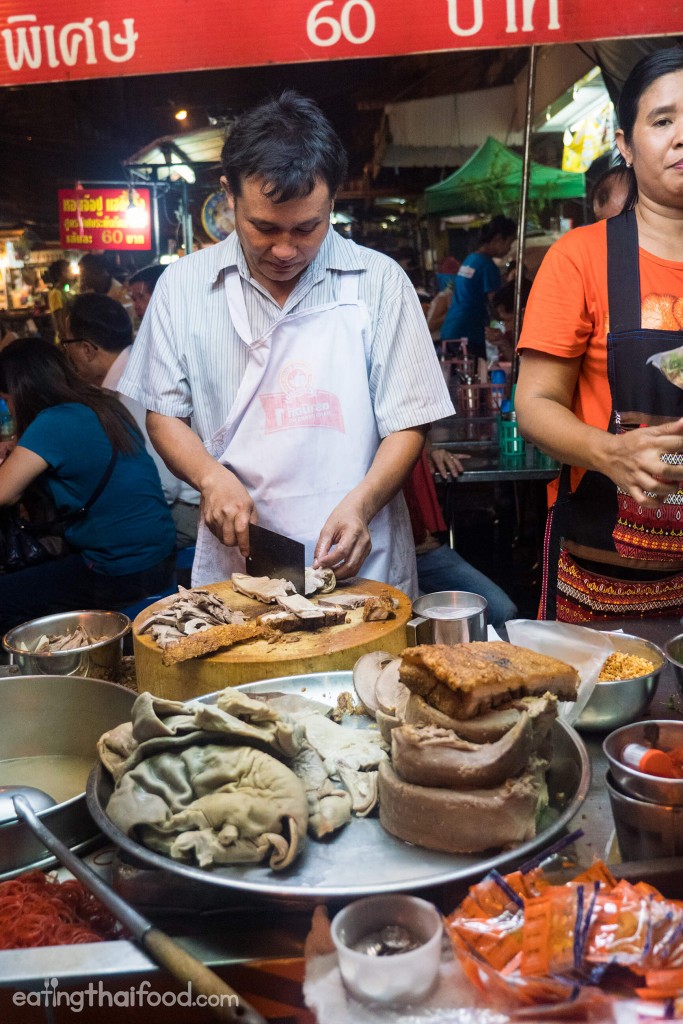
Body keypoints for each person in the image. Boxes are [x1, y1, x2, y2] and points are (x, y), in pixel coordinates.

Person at [119, 92, 454, 594]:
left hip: (365, 560)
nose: (284, 250)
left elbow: (409, 422)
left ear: (333, 201)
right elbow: (165, 415)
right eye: (263, 227)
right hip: (241, 560)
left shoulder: (380, 281)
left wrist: (361, 503)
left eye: (307, 228)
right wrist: (210, 478)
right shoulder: (182, 287)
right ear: (229, 193)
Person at [515, 46, 683, 622]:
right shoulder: (580, 258)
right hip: (605, 576)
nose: (681, 137)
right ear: (626, 145)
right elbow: (534, 405)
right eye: (663, 121)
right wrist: (609, 452)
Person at [0, 338, 176, 633]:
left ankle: (36, 671)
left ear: (21, 389)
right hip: (160, 556)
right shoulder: (103, 405)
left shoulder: (52, 423)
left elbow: (4, 494)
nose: (10, 407)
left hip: (120, 571)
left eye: (7, 399)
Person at [66, 293, 201, 548]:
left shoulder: (132, 387)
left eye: (66, 344)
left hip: (186, 513)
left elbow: (164, 485)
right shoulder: (133, 370)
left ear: (86, 349)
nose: (66, 354)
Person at [404, 447, 517, 629]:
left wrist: (429, 450)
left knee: (500, 610)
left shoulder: (408, 435)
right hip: (387, 556)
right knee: (428, 625)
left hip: (423, 552)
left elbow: (419, 433)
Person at [440, 216, 517, 362]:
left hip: (450, 330)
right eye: (509, 243)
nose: (508, 249)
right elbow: (495, 305)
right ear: (499, 239)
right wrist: (511, 319)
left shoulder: (471, 259)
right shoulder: (488, 266)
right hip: (469, 334)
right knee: (474, 379)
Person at [46, 258, 73, 343]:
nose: (70, 274)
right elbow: (58, 320)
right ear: (59, 275)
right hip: (64, 340)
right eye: (67, 271)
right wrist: (65, 340)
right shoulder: (55, 293)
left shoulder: (65, 291)